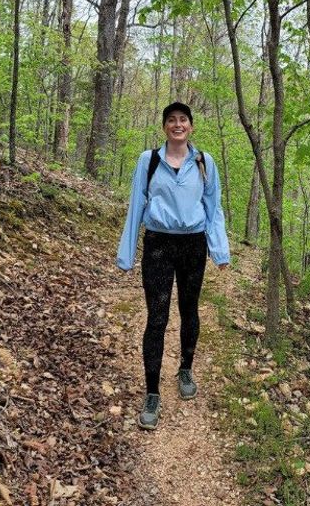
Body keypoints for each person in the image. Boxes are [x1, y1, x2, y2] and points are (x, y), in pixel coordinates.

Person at [116, 101, 230, 430]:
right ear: (164, 126)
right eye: (171, 120)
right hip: (158, 245)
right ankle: (152, 392)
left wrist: (219, 251)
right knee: (157, 317)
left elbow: (213, 209)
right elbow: (136, 203)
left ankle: (185, 368)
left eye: (183, 120)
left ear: (191, 126)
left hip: (193, 245)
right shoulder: (148, 160)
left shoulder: (205, 162)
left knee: (189, 309)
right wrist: (126, 254)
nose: (177, 124)